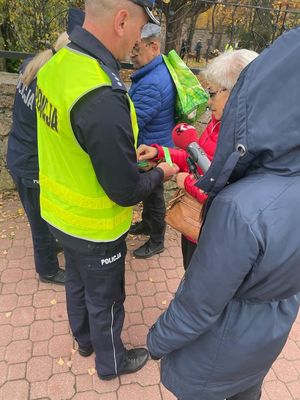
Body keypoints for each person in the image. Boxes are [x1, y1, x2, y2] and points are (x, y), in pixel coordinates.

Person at [147, 26, 300, 400]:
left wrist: (155, 341)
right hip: (261, 339)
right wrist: (169, 153)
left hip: (216, 355)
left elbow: (198, 307)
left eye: (214, 93)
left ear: (249, 96)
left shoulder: (241, 208)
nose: (208, 100)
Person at [36, 0, 178, 381]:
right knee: (107, 298)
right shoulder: (101, 93)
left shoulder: (58, 65)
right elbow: (126, 190)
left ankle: (84, 341)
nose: (139, 41)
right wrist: (162, 172)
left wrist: (121, 152)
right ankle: (111, 362)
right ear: (120, 20)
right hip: (95, 226)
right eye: (139, 28)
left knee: (75, 282)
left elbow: (74, 141)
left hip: (58, 212)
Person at [137, 49, 258, 269]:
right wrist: (159, 153)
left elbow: (227, 195)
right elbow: (196, 158)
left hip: (213, 234)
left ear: (237, 92)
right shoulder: (217, 123)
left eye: (213, 94)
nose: (209, 103)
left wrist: (186, 183)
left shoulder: (246, 139)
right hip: (196, 227)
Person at [6, 32, 70, 285]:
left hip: (19, 154)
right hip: (30, 164)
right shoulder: (50, 84)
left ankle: (51, 247)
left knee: (43, 215)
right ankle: (48, 270)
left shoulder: (33, 65)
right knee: (40, 220)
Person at [128, 23, 176, 259]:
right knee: (151, 193)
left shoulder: (151, 83)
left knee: (154, 194)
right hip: (156, 143)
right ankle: (147, 224)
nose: (131, 54)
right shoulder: (155, 71)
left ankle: (157, 239)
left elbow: (132, 123)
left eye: (136, 49)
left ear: (153, 46)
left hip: (153, 149)